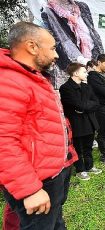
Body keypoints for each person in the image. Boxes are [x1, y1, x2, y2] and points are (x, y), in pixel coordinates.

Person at [0, 21, 78, 229]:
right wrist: (29, 189)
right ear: (32, 46)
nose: (56, 55)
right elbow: (3, 141)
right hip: (36, 181)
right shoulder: (9, 81)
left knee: (55, 223)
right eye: (52, 48)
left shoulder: (32, 78)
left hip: (51, 173)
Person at [41, 0, 104, 88]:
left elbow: (92, 32)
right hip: (68, 65)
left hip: (90, 59)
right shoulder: (49, 11)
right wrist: (81, 59)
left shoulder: (82, 7)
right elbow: (61, 38)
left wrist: (99, 58)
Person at [59, 63, 102, 181]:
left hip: (89, 121)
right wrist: (85, 106)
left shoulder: (86, 86)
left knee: (88, 146)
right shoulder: (66, 88)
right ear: (76, 73)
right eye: (84, 72)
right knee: (78, 148)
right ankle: (80, 170)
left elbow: (96, 102)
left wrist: (84, 107)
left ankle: (89, 166)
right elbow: (78, 104)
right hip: (76, 123)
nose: (86, 74)